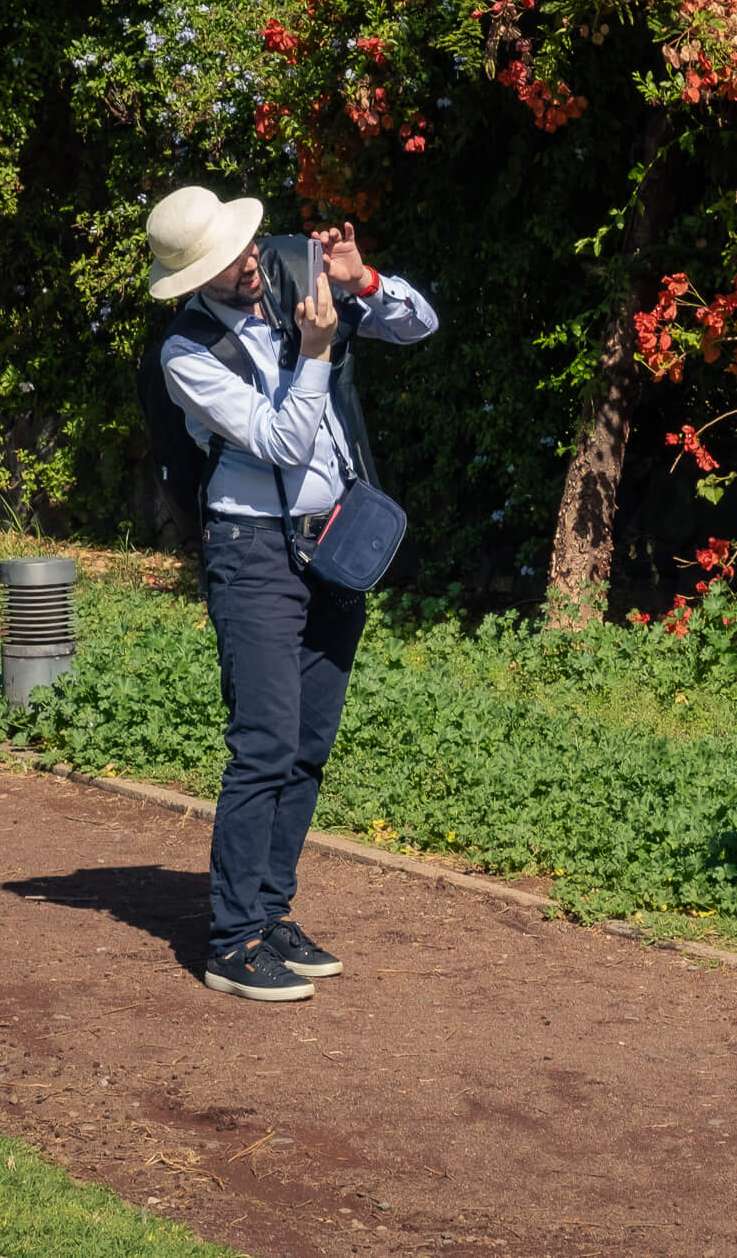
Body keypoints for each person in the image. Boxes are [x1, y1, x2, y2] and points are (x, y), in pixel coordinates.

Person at [147, 185, 439, 1000]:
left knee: (309, 743)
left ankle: (270, 911)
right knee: (264, 744)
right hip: (253, 553)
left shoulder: (293, 274)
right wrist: (313, 351)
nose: (246, 265)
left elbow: (421, 324)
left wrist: (363, 282)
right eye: (224, 262)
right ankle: (231, 939)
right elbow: (282, 438)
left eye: (243, 248)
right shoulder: (186, 353)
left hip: (333, 540)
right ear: (191, 278)